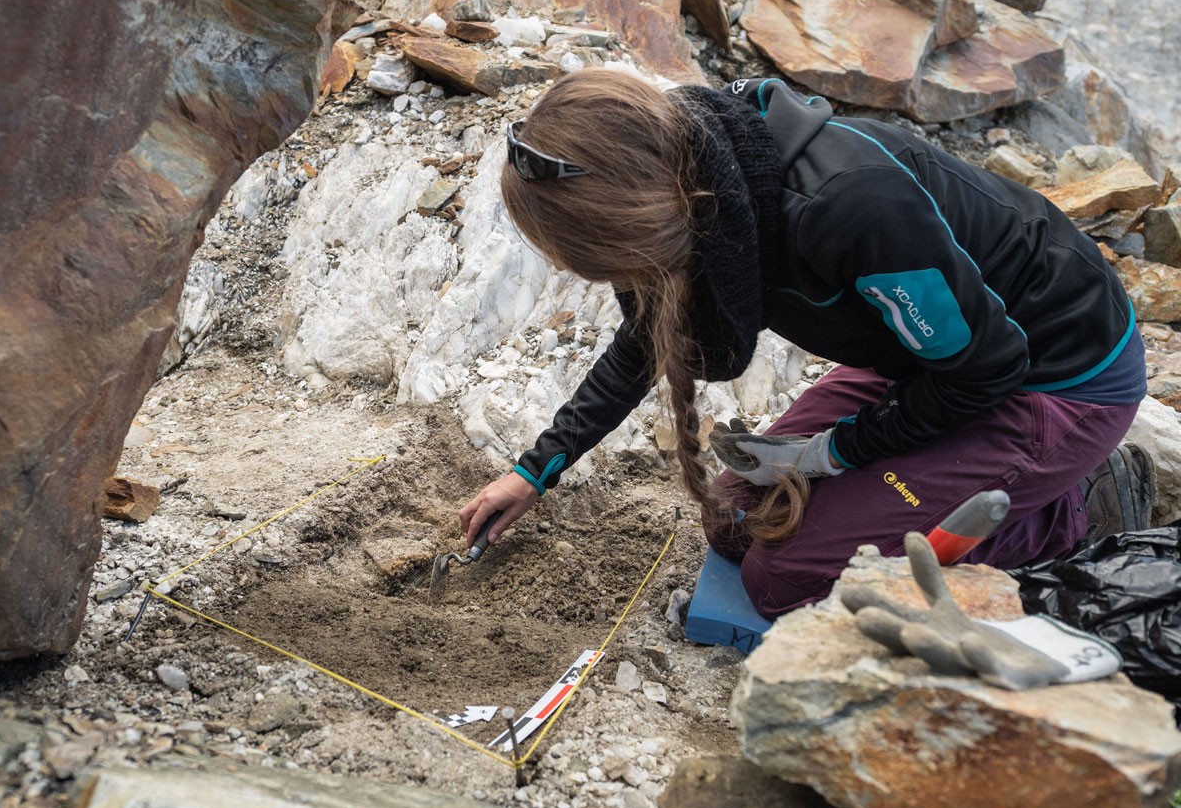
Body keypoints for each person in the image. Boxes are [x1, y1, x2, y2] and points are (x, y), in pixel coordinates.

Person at [458, 67, 1154, 619]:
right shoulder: (684, 177)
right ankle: (1003, 482)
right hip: (930, 359)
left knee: (786, 576)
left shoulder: (849, 207)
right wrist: (534, 469)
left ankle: (1072, 505)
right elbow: (645, 341)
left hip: (1053, 380)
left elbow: (985, 371)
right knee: (733, 518)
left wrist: (832, 451)